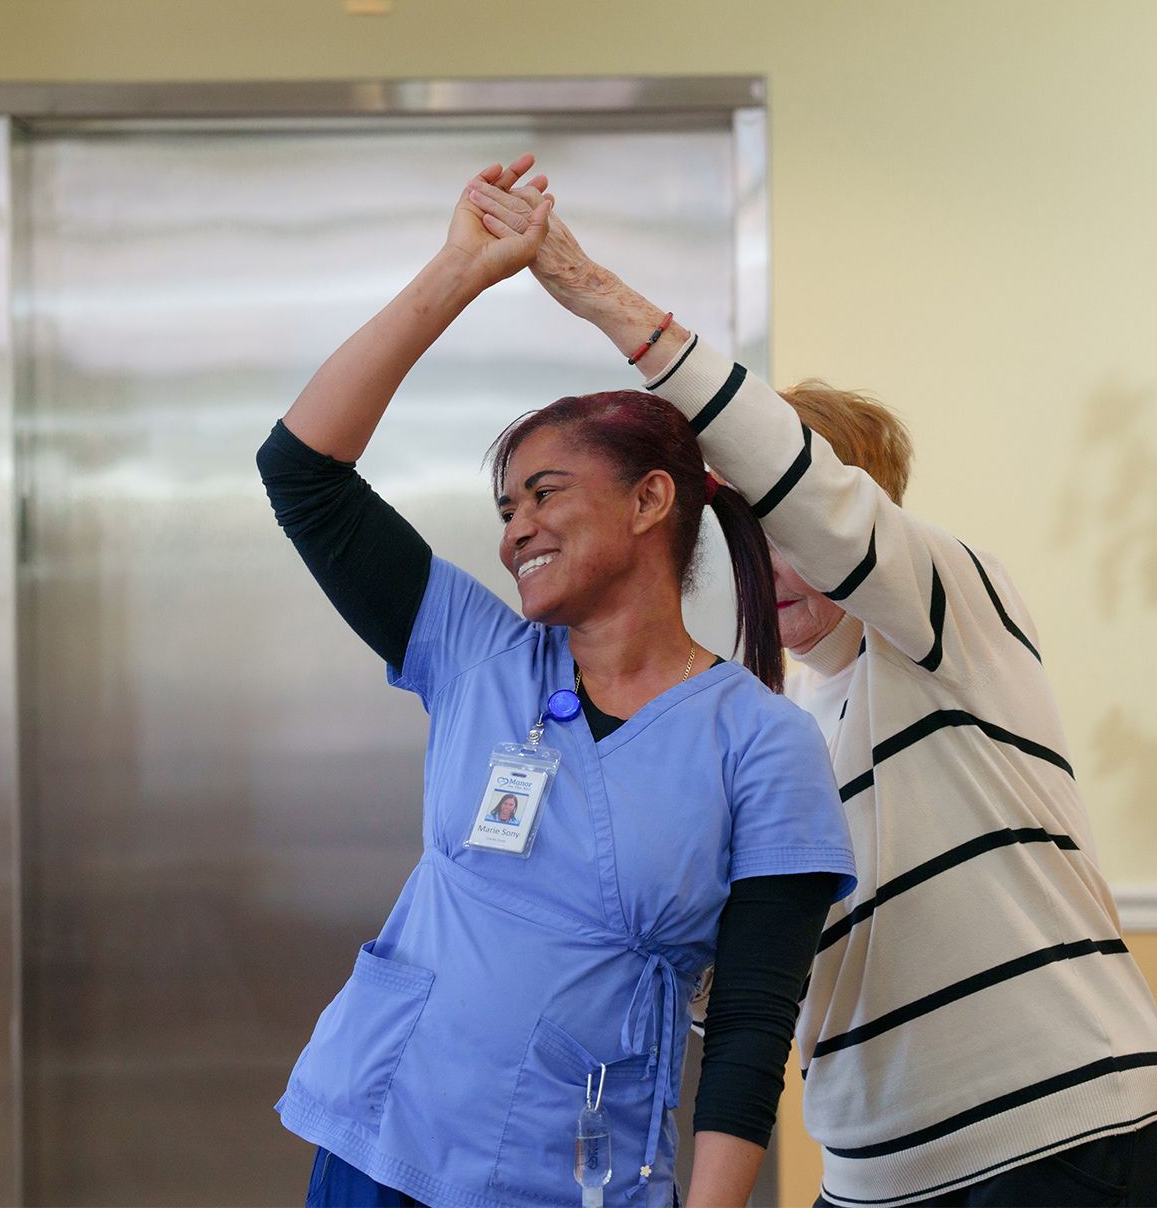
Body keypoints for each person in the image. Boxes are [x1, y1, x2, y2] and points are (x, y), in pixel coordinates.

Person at [468, 168, 1157, 1207]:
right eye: (748, 535)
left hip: (1053, 1124)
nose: (776, 561)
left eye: (789, 525)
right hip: (876, 1164)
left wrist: (591, 290)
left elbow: (814, 496)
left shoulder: (956, 615)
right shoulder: (776, 732)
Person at [258, 154, 859, 1208]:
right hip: (380, 1136)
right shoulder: (477, 652)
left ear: (648, 502)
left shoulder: (764, 742)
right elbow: (301, 471)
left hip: (577, 1171)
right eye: (503, 507)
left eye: (543, 493)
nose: (515, 528)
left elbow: (755, 1026)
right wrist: (457, 272)